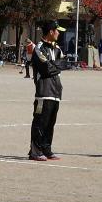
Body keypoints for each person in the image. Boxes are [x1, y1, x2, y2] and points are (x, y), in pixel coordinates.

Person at [27, 21, 65, 161]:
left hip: (56, 92)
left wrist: (53, 65)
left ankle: (46, 149)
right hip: (44, 92)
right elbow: (45, 69)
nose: (59, 33)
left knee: (50, 123)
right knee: (40, 122)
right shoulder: (39, 48)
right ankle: (35, 151)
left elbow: (64, 64)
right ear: (51, 31)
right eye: (57, 30)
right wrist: (55, 65)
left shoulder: (57, 49)